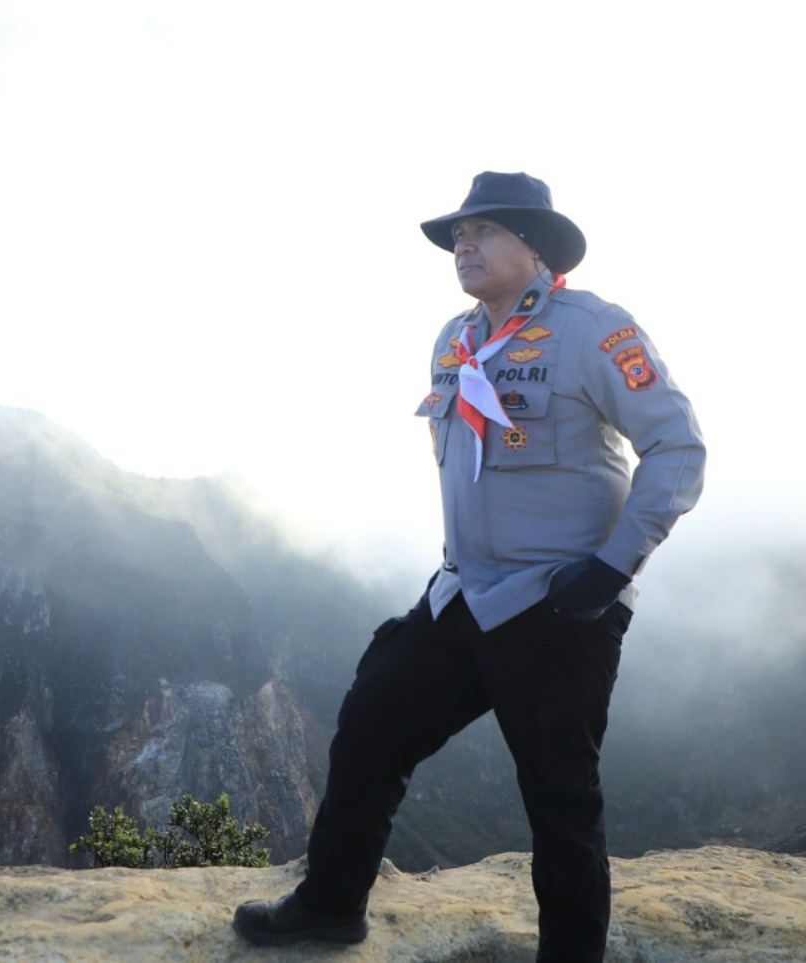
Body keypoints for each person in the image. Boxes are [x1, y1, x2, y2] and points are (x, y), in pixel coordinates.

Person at [233, 171, 706, 961]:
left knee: (560, 796)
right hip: (465, 594)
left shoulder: (595, 330)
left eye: (483, 229)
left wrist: (610, 567)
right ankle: (330, 904)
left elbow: (678, 447)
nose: (463, 244)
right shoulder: (454, 340)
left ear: (536, 244)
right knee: (371, 724)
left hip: (559, 603)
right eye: (459, 233)